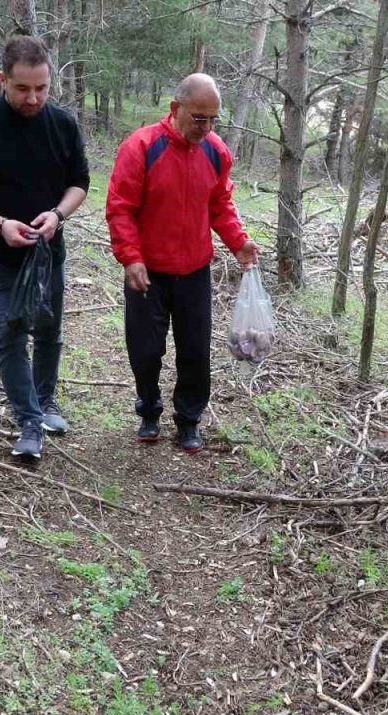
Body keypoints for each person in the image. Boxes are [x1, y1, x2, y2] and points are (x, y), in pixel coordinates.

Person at [0, 35, 89, 459]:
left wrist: (57, 216)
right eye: (23, 88)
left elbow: (79, 183)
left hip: (46, 253)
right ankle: (28, 421)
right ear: (2, 78)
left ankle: (45, 403)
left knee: (48, 331)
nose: (33, 97)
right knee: (9, 337)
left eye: (41, 88)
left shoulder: (62, 125)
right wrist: (0, 223)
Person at [105, 73, 260, 453]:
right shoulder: (141, 147)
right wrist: (131, 258)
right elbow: (120, 208)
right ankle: (148, 410)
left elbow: (220, 204)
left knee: (194, 350)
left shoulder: (215, 151)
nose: (205, 127)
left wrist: (238, 241)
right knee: (144, 349)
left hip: (194, 270)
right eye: (198, 118)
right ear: (175, 110)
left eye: (212, 120)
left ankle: (189, 420)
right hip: (147, 271)